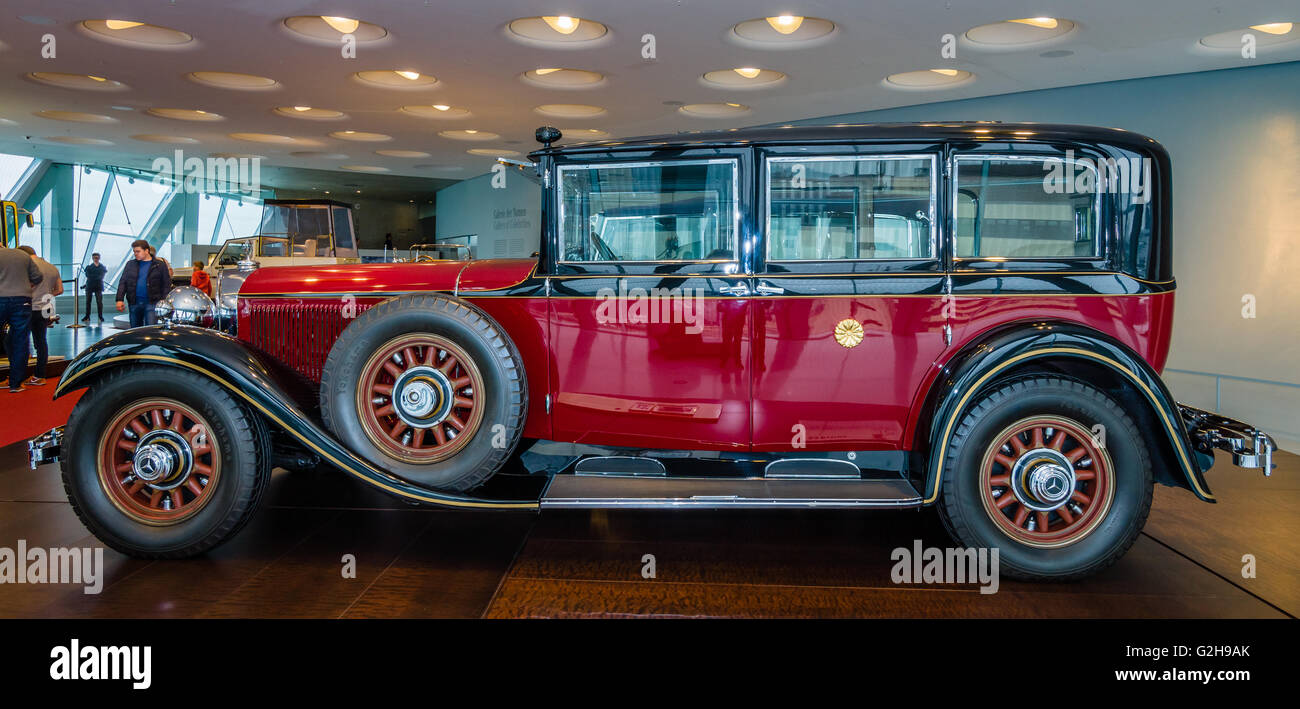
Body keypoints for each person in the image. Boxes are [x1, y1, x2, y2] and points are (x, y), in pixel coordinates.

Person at [0, 242, 43, 392]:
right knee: (20, 340)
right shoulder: (23, 255)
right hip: (22, 300)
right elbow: (38, 277)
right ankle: (15, 384)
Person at [17, 245, 62, 387]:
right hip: (45, 308)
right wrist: (45, 296)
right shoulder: (52, 267)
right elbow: (59, 290)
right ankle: (39, 376)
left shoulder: (26, 267)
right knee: (41, 342)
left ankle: (17, 378)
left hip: (28, 307)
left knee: (19, 342)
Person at [116, 240, 168, 327]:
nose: (135, 254)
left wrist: (163, 300)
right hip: (134, 303)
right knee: (135, 330)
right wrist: (119, 299)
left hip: (152, 303)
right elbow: (123, 282)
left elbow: (166, 284)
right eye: (134, 252)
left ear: (146, 251)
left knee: (150, 330)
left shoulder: (160, 265)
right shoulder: (130, 264)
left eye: (138, 251)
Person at [81, 251, 106, 323]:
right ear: (92, 258)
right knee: (88, 302)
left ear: (99, 258)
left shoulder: (93, 268)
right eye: (95, 257)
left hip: (96, 286)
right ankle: (87, 316)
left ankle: (100, 316)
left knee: (99, 302)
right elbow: (90, 276)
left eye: (97, 257)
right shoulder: (98, 268)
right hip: (91, 286)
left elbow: (99, 276)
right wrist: (96, 277)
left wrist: (93, 277)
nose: (96, 259)